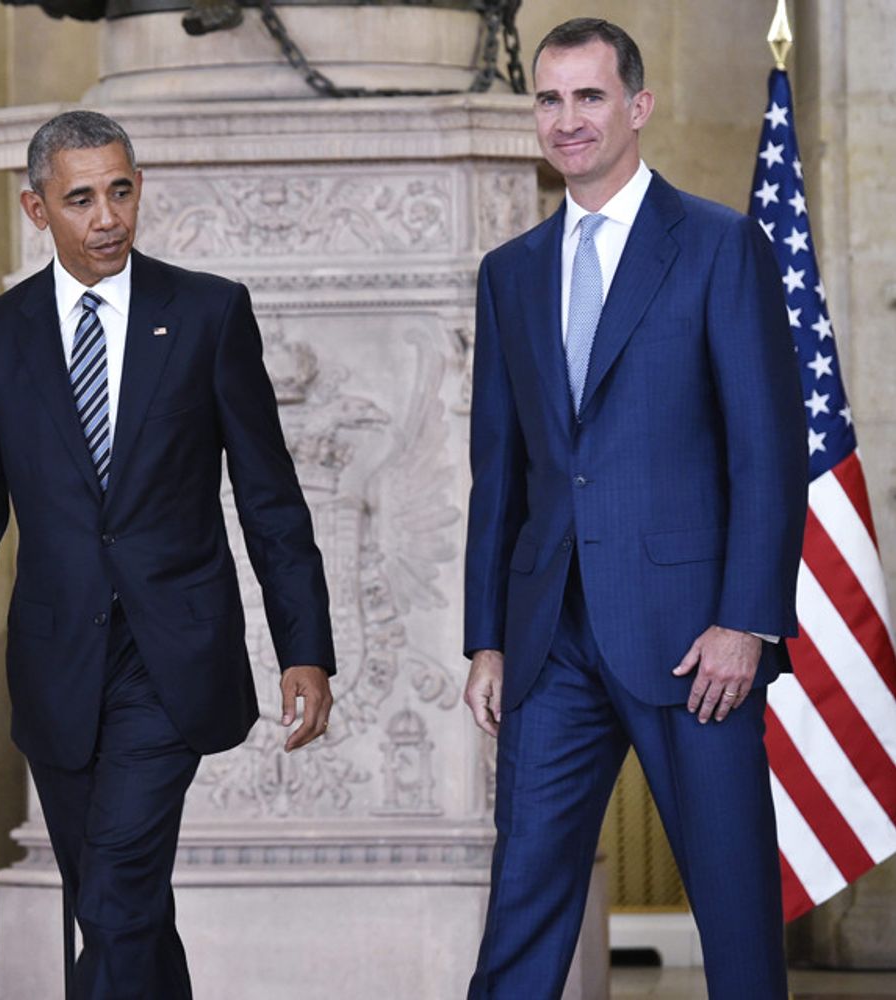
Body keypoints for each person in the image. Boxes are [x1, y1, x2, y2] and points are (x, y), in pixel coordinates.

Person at [0, 110, 336, 1000]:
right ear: (37, 209)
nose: (107, 217)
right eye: (81, 200)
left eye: (121, 191)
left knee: (113, 896)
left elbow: (268, 495)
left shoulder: (208, 313)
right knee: (121, 906)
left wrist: (304, 645)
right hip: (58, 668)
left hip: (173, 659)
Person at [462, 18, 806, 999]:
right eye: (549, 98)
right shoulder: (510, 273)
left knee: (735, 914)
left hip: (695, 643)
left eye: (590, 96)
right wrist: (487, 637)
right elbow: (501, 472)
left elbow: (768, 452)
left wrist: (746, 622)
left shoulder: (719, 245)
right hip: (549, 645)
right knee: (521, 913)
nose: (566, 119)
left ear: (638, 106)